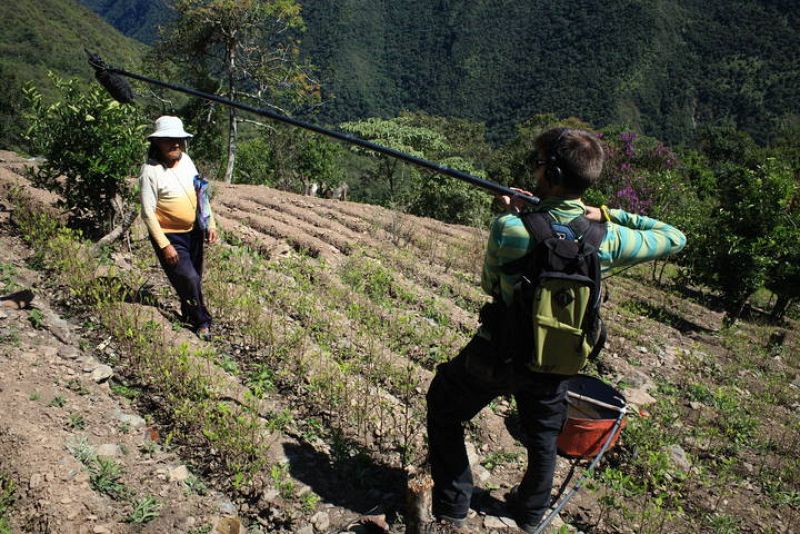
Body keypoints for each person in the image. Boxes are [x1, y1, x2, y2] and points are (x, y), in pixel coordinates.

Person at [425, 128, 686, 533]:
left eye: (539, 164)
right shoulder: (607, 239)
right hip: (556, 360)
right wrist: (607, 214)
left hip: (498, 352)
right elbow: (674, 237)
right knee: (544, 438)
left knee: (444, 407)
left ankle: (453, 506)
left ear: (552, 173)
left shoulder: (510, 228)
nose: (535, 170)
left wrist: (515, 213)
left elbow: (491, 285)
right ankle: (530, 515)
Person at [139, 116, 218, 340]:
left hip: (193, 231)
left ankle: (188, 314)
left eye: (178, 140)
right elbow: (147, 213)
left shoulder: (186, 160)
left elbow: (200, 193)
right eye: (168, 140)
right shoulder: (150, 171)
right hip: (170, 235)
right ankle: (202, 322)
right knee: (189, 278)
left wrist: (210, 222)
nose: (175, 144)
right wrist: (165, 245)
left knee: (194, 278)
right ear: (157, 142)